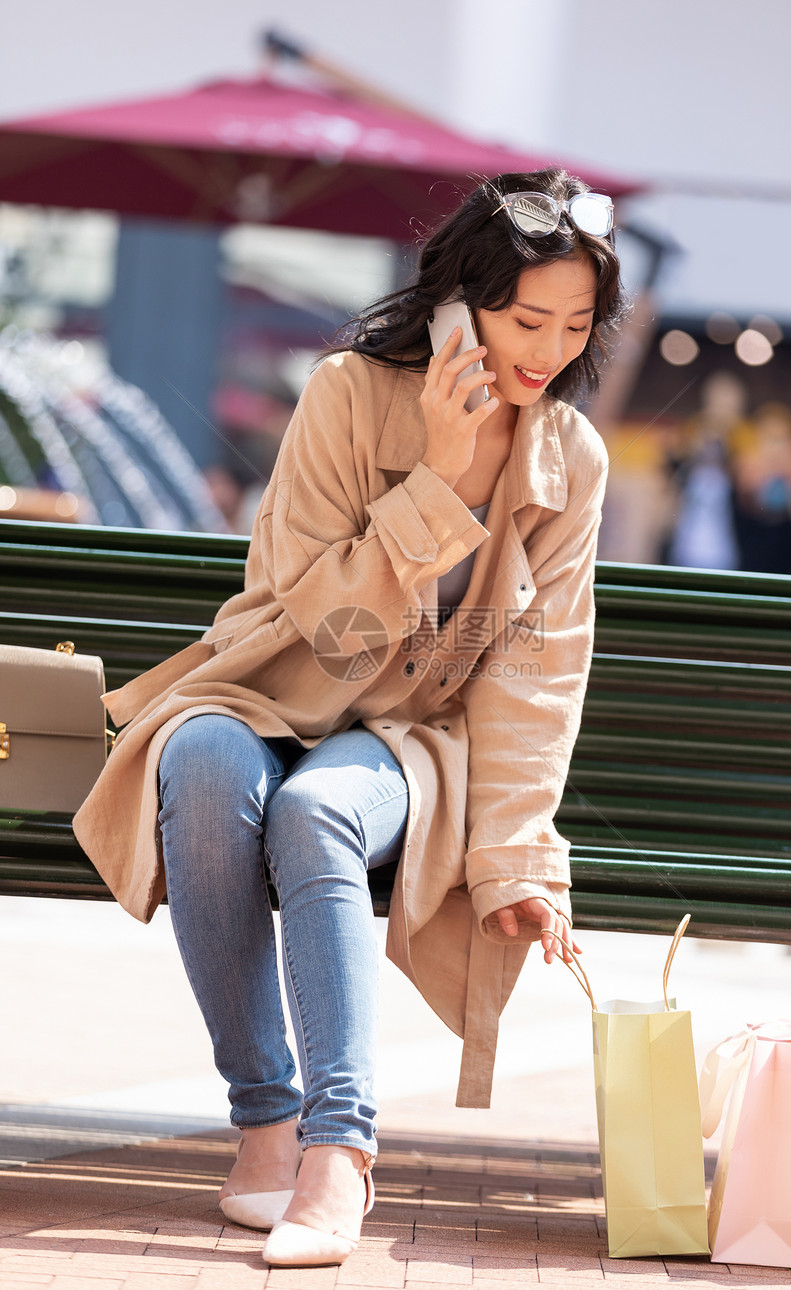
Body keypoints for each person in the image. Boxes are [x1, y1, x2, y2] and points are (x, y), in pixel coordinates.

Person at [73, 169, 624, 1268]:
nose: (547, 351)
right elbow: (317, 625)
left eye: (574, 325)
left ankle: (339, 1148)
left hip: (413, 741)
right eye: (525, 320)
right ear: (457, 307)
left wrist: (514, 852)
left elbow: (534, 674)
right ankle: (264, 1117)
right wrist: (437, 473)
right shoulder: (343, 393)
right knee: (205, 764)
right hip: (269, 687)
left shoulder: (571, 460)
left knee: (318, 809)